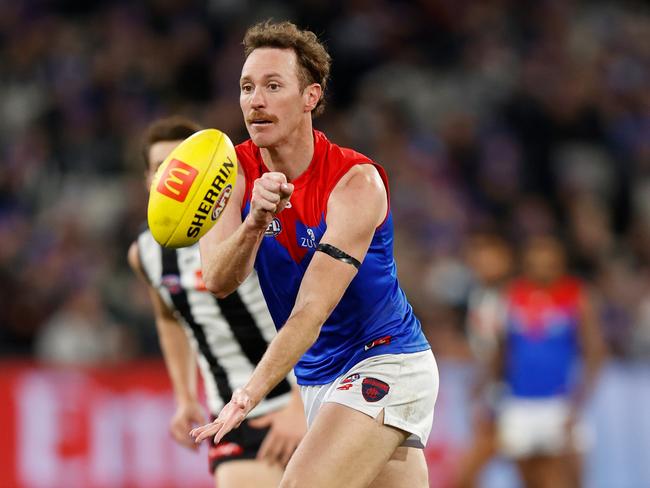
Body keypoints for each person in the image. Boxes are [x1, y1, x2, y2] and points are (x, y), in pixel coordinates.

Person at [191, 21, 439, 488]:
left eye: (272, 86)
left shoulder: (355, 182)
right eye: (246, 87)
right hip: (318, 376)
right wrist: (254, 222)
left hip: (384, 359)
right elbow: (219, 279)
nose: (255, 100)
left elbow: (311, 310)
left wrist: (247, 396)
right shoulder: (230, 171)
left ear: (310, 97)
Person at [128, 116, 306, 488]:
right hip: (231, 414)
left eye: (179, 166)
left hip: (299, 400)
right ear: (149, 182)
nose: (171, 177)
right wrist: (184, 396)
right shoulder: (144, 254)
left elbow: (314, 307)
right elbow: (169, 316)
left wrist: (300, 403)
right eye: (160, 169)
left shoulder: (255, 224)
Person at [493, 234, 605, 488]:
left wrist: (578, 401)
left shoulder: (576, 295)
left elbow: (595, 352)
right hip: (519, 402)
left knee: (567, 480)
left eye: (548, 258)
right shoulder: (512, 295)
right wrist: (491, 391)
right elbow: (502, 349)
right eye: (536, 258)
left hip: (560, 403)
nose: (542, 264)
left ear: (560, 261)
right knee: (529, 480)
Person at [453, 232, 514, 488]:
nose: (481, 261)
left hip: (510, 391)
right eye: (476, 255)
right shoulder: (479, 296)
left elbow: (510, 345)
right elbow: (483, 345)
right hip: (492, 390)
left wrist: (487, 377)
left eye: (488, 254)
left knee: (467, 473)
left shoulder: (513, 296)